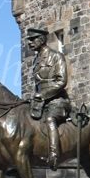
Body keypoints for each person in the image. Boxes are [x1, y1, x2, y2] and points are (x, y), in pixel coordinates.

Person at [26, 27, 72, 170]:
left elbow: (61, 81)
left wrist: (44, 95)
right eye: (29, 40)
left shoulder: (56, 56)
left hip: (57, 101)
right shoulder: (36, 60)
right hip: (40, 102)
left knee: (50, 119)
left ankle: (54, 155)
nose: (30, 43)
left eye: (33, 40)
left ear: (41, 40)